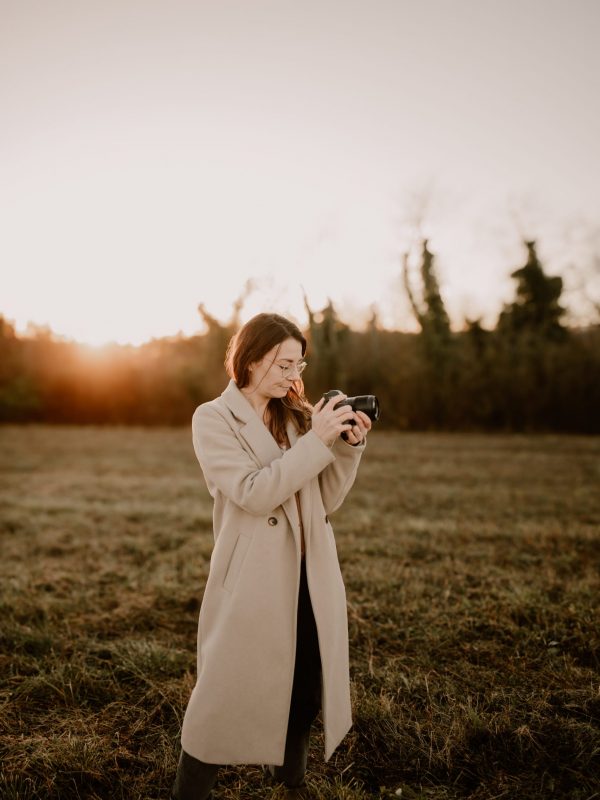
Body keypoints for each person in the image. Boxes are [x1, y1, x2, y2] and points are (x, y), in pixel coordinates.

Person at [172, 312, 371, 800]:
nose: (292, 375)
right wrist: (317, 441)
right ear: (251, 359)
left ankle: (291, 784)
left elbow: (323, 500)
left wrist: (347, 447)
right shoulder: (212, 418)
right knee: (221, 694)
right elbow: (254, 492)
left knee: (304, 688)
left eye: (298, 365)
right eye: (283, 364)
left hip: (309, 570)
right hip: (251, 578)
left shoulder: (296, 416)